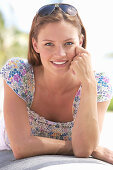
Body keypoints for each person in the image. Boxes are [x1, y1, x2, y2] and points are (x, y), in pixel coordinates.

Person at [0, 3, 113, 163]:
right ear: (35, 45)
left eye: (68, 43)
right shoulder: (18, 74)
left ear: (80, 42)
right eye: (49, 44)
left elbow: (84, 150)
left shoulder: (99, 84)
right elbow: (21, 147)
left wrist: (88, 84)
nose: (60, 54)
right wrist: (78, 146)